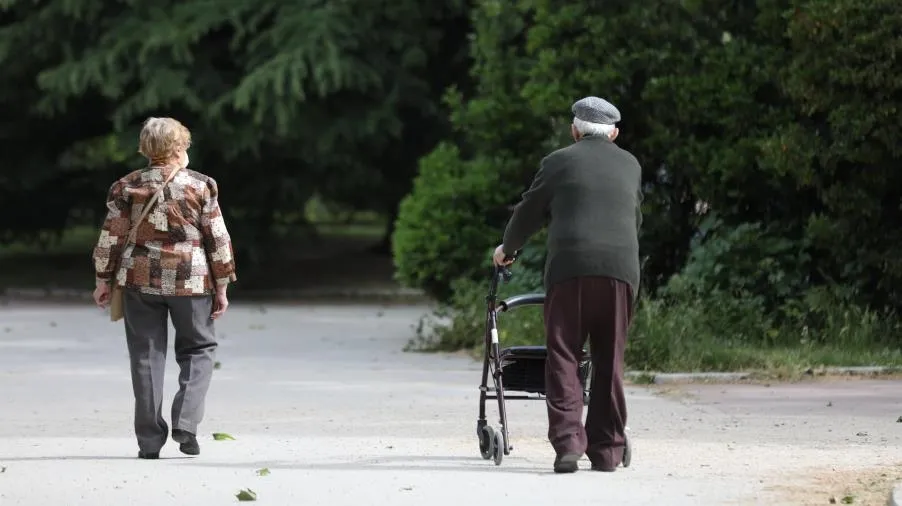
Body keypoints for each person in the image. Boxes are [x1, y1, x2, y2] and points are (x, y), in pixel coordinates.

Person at [492, 96, 643, 473]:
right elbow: (634, 219)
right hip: (620, 272)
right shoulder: (630, 165)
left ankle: (568, 445)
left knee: (563, 354)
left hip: (570, 269)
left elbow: (528, 212)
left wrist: (507, 250)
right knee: (609, 359)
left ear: (574, 130)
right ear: (614, 133)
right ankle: (607, 450)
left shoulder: (558, 161)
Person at [91, 117, 237, 459]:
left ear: (145, 148)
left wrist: (102, 278)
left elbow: (110, 236)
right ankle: (185, 423)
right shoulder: (202, 186)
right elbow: (217, 238)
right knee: (199, 349)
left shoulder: (126, 186)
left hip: (139, 280)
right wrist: (222, 284)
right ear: (180, 147)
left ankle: (149, 442)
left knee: (145, 355)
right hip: (192, 279)